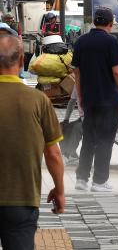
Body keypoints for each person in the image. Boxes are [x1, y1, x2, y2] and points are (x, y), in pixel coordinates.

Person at [0, 32, 65, 249]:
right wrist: (59, 189)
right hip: (22, 199)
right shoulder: (37, 100)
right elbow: (53, 154)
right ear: (21, 61)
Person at [72, 7, 118, 193]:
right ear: (110, 24)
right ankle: (100, 181)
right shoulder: (111, 41)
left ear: (94, 22)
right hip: (108, 100)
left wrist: (80, 96)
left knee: (88, 139)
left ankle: (81, 178)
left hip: (89, 99)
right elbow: (117, 71)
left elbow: (77, 72)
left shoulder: (81, 41)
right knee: (105, 140)